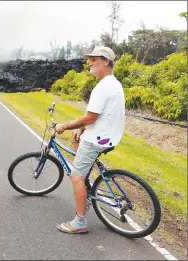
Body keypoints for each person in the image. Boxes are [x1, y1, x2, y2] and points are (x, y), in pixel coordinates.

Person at [54, 46, 125, 234]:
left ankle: (79, 222)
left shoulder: (103, 87)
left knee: (75, 176)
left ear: (106, 61)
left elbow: (90, 117)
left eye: (94, 60)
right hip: (108, 135)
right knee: (76, 137)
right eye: (90, 59)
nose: (90, 63)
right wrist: (80, 128)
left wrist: (64, 125)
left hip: (97, 139)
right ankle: (84, 179)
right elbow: (100, 116)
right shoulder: (114, 84)